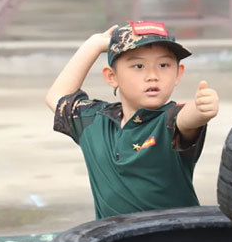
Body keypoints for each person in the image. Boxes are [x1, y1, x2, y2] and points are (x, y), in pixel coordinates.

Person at [45, 21, 219, 219]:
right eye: (138, 66)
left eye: (164, 65)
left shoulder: (169, 119)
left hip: (176, 241)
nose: (153, 76)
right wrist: (93, 45)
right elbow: (56, 96)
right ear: (112, 77)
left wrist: (201, 109)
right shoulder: (95, 122)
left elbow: (187, 118)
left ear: (178, 74)